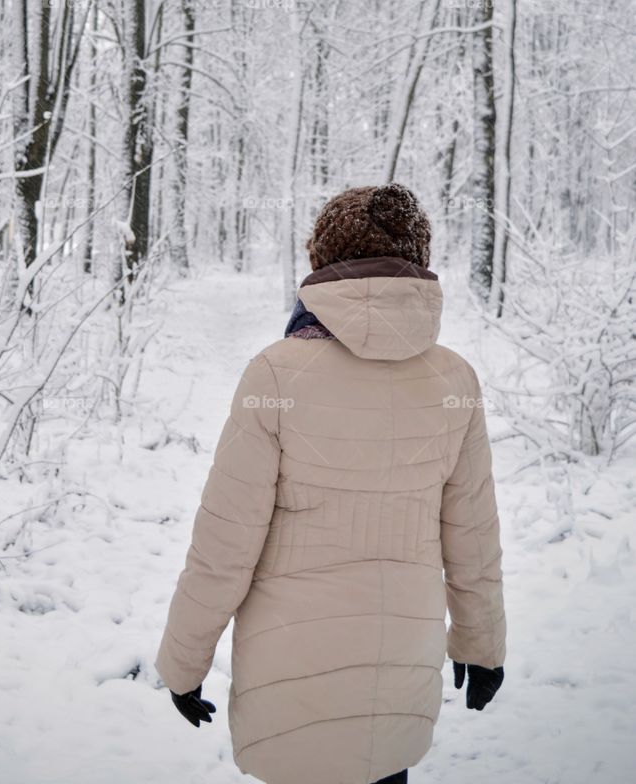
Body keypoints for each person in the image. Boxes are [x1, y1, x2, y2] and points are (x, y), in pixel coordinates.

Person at [154, 183, 505, 784]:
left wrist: (184, 662)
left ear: (322, 258)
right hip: (400, 661)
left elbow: (224, 545)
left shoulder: (276, 373)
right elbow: (473, 536)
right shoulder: (455, 379)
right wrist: (482, 643)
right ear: (418, 258)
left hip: (290, 669)